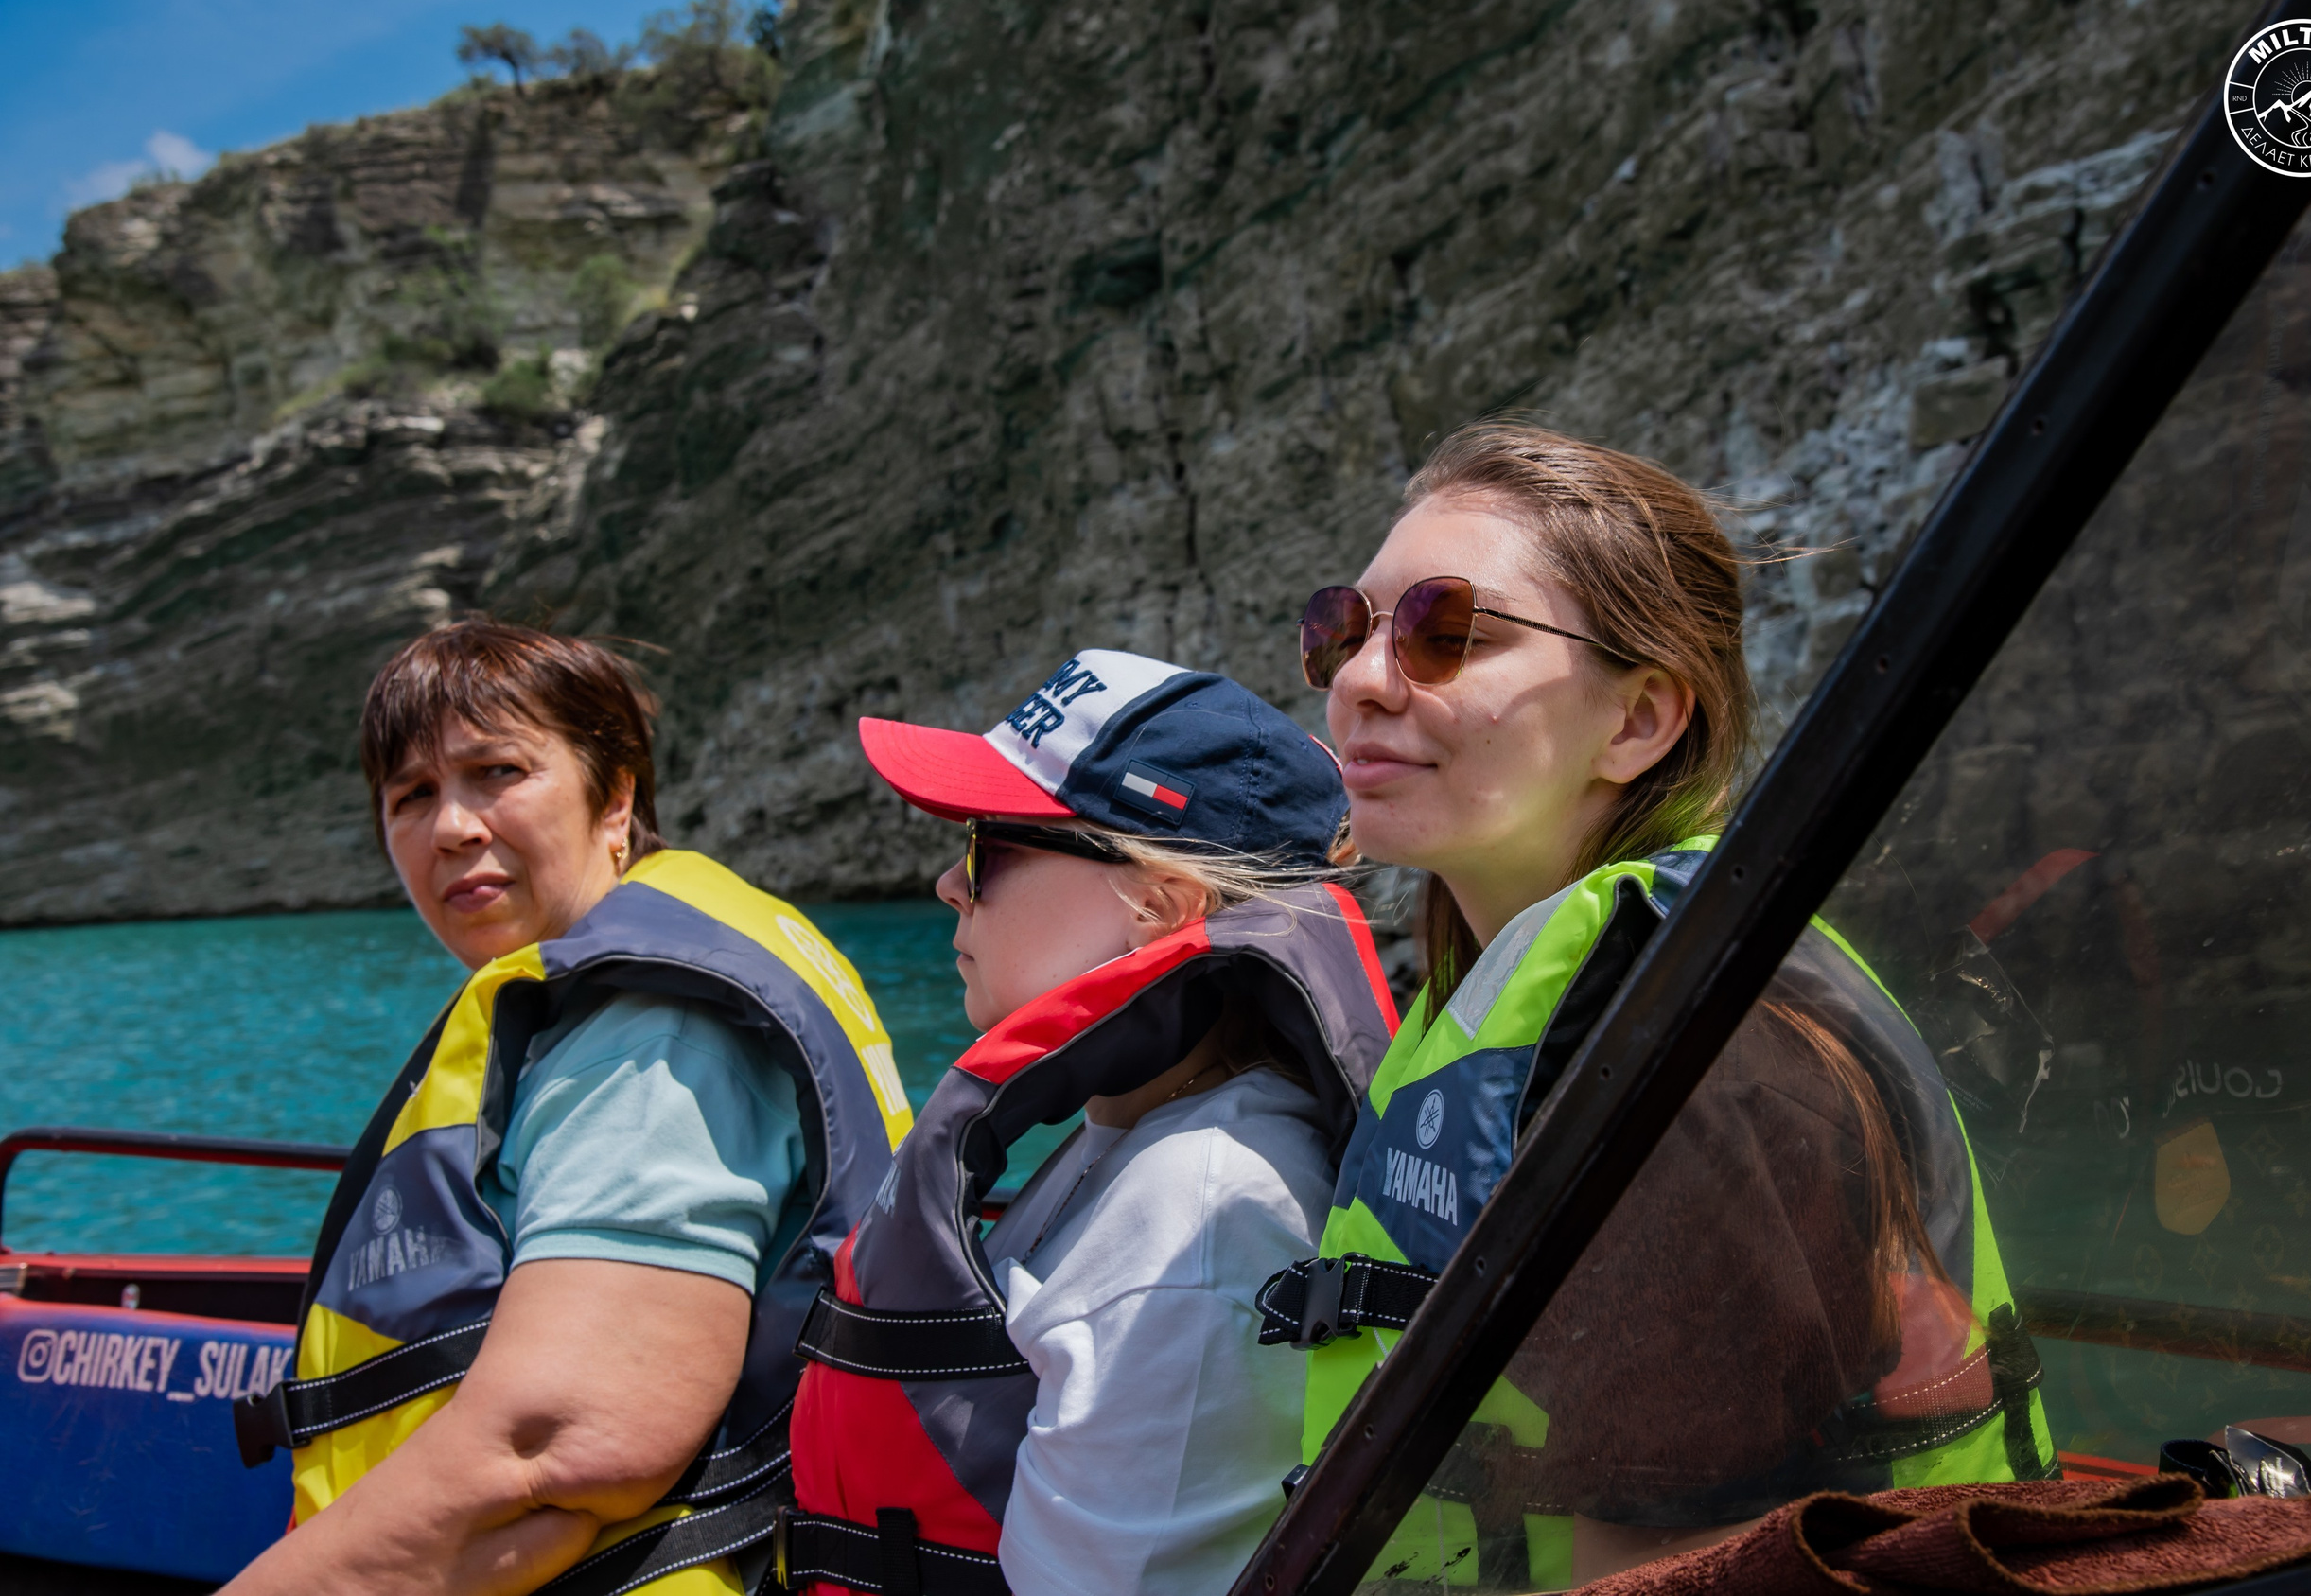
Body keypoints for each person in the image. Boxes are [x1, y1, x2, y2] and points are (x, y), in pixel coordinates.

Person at [1261, 423, 2055, 1589]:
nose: (1359, 679)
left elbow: (1672, 1574)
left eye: (1445, 632)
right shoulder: (1527, 999)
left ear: (1637, 721)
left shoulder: (1693, 1066)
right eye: (1344, 627)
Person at [224, 620, 914, 1596]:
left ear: (616, 794)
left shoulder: (654, 1035)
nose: (451, 825)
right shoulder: (631, 984)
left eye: (496, 771)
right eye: (411, 794)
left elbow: (559, 1445)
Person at [779, 650, 1399, 1596]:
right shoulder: (1141, 1130)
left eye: (991, 844)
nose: (950, 882)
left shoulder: (1194, 1221)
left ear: (1154, 903)